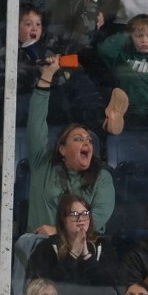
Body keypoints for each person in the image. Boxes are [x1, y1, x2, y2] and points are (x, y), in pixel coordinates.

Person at [24, 55, 116, 241]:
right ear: (62, 149)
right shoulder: (43, 165)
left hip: (82, 248)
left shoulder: (102, 178)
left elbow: (98, 218)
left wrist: (58, 231)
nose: (86, 143)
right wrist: (47, 76)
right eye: (78, 139)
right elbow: (36, 124)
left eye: (89, 140)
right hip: (40, 246)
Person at [26, 192, 120, 295]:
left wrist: (87, 256)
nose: (81, 219)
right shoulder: (47, 247)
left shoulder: (103, 244)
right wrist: (73, 255)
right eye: (74, 214)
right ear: (63, 219)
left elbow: (110, 283)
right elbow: (45, 285)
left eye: (85, 213)